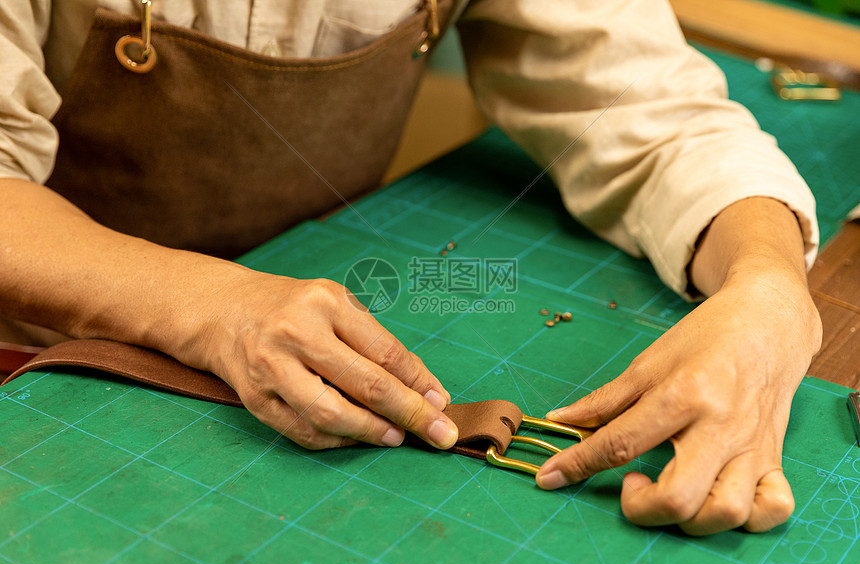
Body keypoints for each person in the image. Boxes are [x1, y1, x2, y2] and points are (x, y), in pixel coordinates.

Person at [0, 0, 821, 537]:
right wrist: (207, 302)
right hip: (43, 360)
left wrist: (771, 286)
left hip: (331, 273)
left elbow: (656, 114)